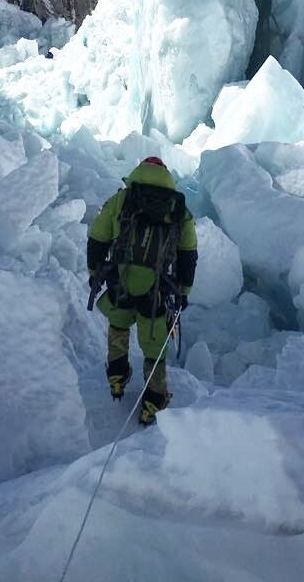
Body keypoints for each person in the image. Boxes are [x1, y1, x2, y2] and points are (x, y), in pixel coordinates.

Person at [87, 156, 198, 425]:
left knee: (119, 326)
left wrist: (96, 274)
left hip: (120, 281)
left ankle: (117, 376)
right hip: (157, 288)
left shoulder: (122, 200)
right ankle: (153, 399)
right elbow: (188, 254)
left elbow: (97, 238)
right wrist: (184, 291)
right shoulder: (178, 209)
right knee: (154, 344)